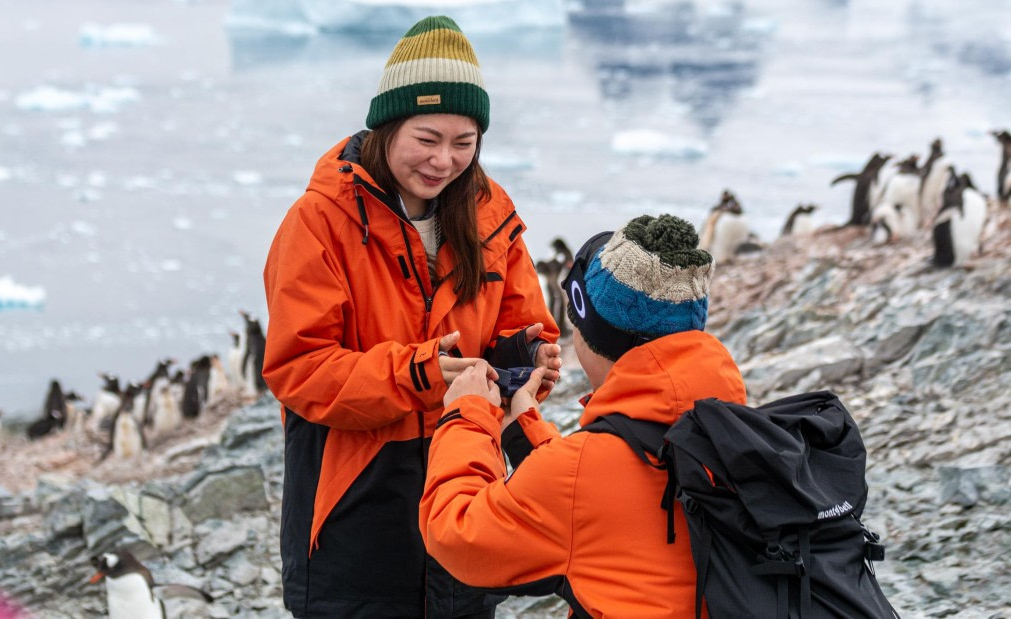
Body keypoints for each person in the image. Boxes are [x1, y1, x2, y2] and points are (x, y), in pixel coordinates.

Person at [262, 15, 562, 619]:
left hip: (466, 494)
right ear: (388, 126)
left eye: (463, 142)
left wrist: (525, 358)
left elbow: (520, 321)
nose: (444, 160)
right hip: (354, 515)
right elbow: (300, 369)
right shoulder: (320, 223)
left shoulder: (491, 217)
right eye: (427, 138)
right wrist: (417, 374)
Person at [420, 214, 747, 617]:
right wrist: (526, 430)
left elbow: (456, 535)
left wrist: (466, 415)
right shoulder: (729, 428)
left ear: (590, 335)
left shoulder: (581, 472)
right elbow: (607, 498)